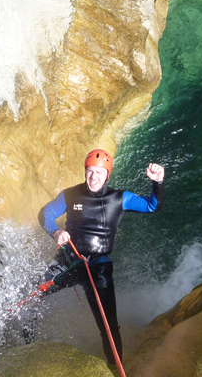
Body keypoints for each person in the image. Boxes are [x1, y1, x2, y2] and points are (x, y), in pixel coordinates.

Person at [37, 149, 165, 365]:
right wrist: (56, 232)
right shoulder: (71, 195)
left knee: (108, 325)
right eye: (89, 171)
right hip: (68, 263)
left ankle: (115, 369)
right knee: (32, 293)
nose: (93, 177)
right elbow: (46, 214)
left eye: (99, 172)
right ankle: (26, 340)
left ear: (107, 175)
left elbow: (152, 206)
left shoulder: (119, 198)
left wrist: (158, 183)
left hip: (98, 269)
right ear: (84, 171)